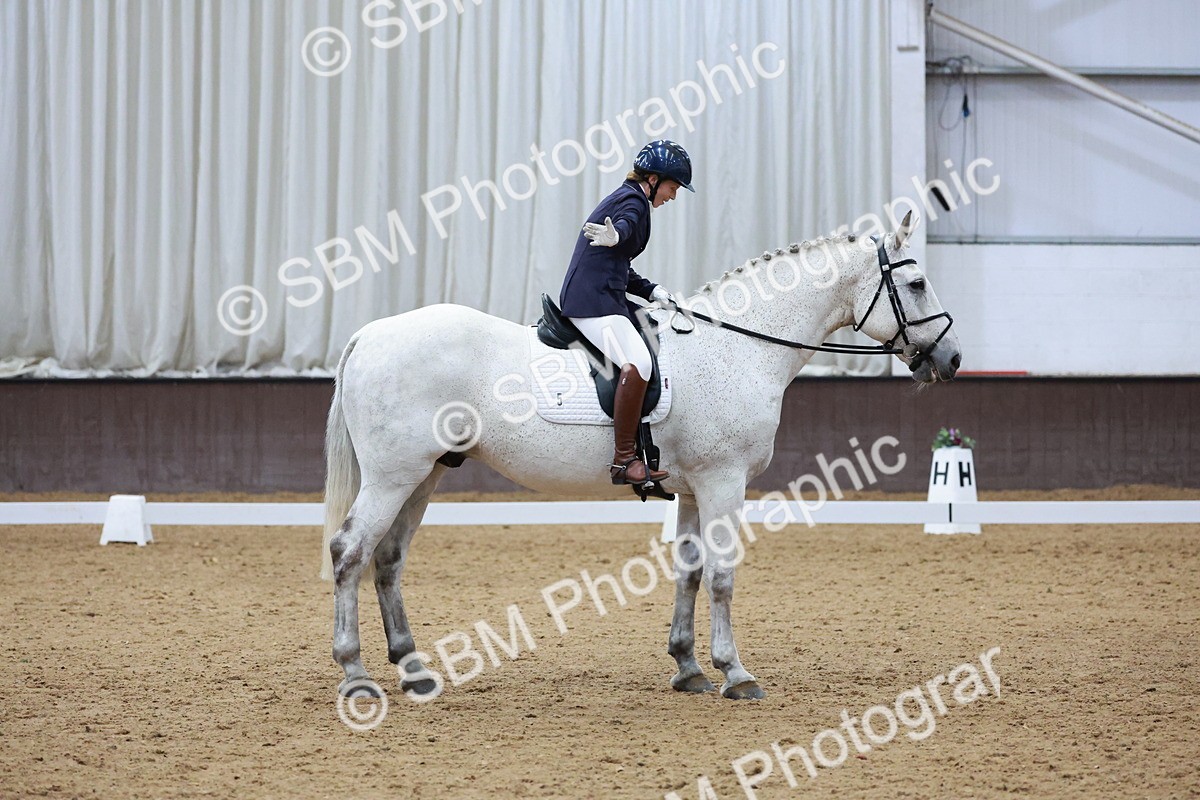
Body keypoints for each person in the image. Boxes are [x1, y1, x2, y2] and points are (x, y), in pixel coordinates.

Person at [558, 139, 694, 486]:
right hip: (592, 303)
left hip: (606, 295)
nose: (673, 196)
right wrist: (618, 235)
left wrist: (653, 291)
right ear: (653, 179)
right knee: (640, 363)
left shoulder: (628, 196)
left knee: (653, 328)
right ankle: (623, 461)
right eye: (672, 187)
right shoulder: (632, 201)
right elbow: (627, 227)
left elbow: (619, 266)